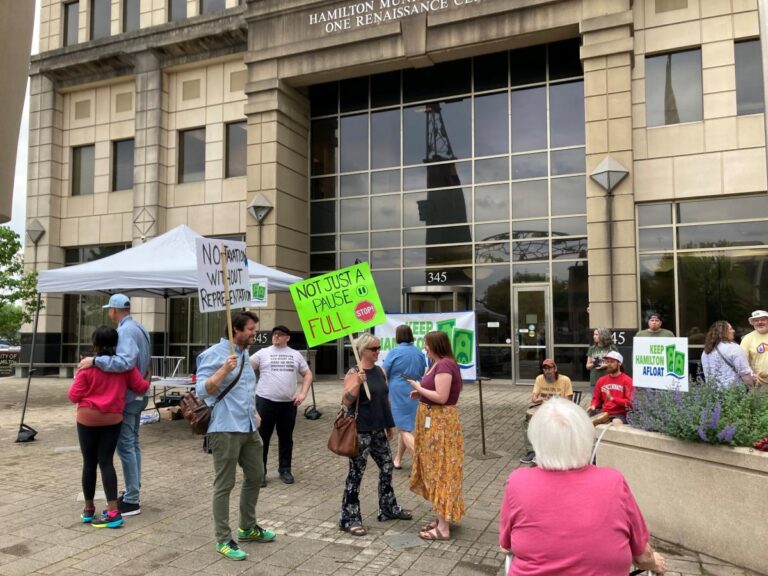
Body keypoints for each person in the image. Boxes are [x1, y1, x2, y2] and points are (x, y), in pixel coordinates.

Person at [499, 398, 667, 576]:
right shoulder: (613, 481)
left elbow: (506, 545)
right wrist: (654, 563)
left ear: (537, 441)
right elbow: (642, 556)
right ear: (585, 437)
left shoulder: (518, 481)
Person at [196, 311, 276, 561]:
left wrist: (254, 412)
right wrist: (222, 370)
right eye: (251, 329)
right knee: (224, 484)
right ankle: (223, 539)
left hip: (249, 426)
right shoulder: (213, 355)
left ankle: (247, 527)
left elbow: (246, 390)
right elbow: (202, 390)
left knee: (256, 475)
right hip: (225, 428)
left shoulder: (245, 355)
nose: (255, 333)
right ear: (235, 332)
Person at [77, 293, 151, 517]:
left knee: (126, 446)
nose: (109, 312)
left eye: (110, 309)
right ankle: (132, 491)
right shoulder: (140, 328)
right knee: (133, 444)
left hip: (128, 398)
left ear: (115, 310)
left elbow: (125, 363)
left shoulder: (125, 331)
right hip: (139, 393)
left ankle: (131, 499)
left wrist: (95, 361)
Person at [339, 333, 412, 537]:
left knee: (387, 466)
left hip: (378, 429)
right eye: (373, 348)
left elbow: (384, 400)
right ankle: (349, 518)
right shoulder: (354, 372)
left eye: (379, 347)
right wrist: (357, 383)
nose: (378, 351)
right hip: (360, 431)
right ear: (362, 350)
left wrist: (389, 424)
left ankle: (388, 508)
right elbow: (346, 401)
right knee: (356, 474)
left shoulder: (380, 371)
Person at [407, 330, 465, 541]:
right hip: (433, 422)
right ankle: (443, 518)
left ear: (435, 346)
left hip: (441, 424)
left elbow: (441, 397)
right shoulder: (439, 364)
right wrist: (420, 393)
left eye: (427, 345)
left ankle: (443, 528)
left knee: (441, 470)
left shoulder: (444, 365)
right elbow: (438, 393)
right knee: (435, 469)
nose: (425, 348)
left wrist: (418, 387)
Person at [250, 325, 313, 486]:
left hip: (288, 404)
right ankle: (260, 472)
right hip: (265, 401)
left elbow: (307, 374)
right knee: (262, 438)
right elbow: (246, 368)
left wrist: (303, 393)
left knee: (286, 438)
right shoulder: (263, 353)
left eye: (280, 334)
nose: (276, 337)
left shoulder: (295, 355)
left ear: (287, 338)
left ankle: (285, 469)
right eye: (274, 334)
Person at [382, 324, 427, 470]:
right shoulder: (419, 352)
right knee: (406, 426)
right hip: (416, 389)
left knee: (402, 428)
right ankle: (398, 459)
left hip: (398, 390)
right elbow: (421, 371)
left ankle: (421, 461)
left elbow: (384, 372)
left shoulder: (394, 351)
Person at [519, 358, 573, 465]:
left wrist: (551, 402)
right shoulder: (540, 379)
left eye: (549, 368)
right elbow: (534, 398)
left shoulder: (565, 380)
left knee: (554, 422)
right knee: (526, 420)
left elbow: (568, 401)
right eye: (545, 369)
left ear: (555, 368)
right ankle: (532, 451)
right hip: (544, 408)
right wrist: (538, 399)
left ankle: (550, 452)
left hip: (560, 408)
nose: (547, 371)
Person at [701, 321, 754, 387]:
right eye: (730, 329)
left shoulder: (706, 351)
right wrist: (752, 388)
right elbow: (744, 373)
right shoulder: (733, 348)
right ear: (723, 332)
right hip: (733, 393)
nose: (733, 331)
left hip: (713, 392)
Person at [588, 351, 633, 424]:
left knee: (616, 423)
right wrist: (593, 405)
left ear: (619, 363)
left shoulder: (628, 381)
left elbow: (630, 403)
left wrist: (612, 399)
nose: (609, 364)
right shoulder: (601, 380)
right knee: (589, 423)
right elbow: (596, 399)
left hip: (621, 414)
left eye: (612, 362)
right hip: (605, 412)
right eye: (607, 362)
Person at [741, 310, 768, 386]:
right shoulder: (747, 339)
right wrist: (751, 374)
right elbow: (742, 361)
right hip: (760, 382)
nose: (759, 322)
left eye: (763, 319)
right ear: (753, 323)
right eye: (756, 320)